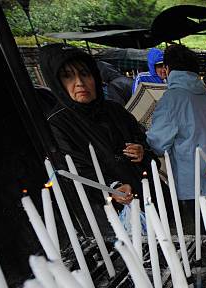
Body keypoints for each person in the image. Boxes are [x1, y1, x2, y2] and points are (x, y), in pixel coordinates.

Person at [39, 44, 156, 211]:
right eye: (68, 76)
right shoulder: (57, 124)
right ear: (57, 83)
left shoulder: (115, 110)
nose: (80, 83)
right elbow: (75, 171)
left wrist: (142, 151)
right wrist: (111, 186)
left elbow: (144, 143)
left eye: (85, 74)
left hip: (148, 199)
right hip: (108, 212)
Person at [147, 44, 206, 234]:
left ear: (168, 69)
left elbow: (157, 143)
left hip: (190, 185)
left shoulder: (171, 99)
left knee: (200, 242)